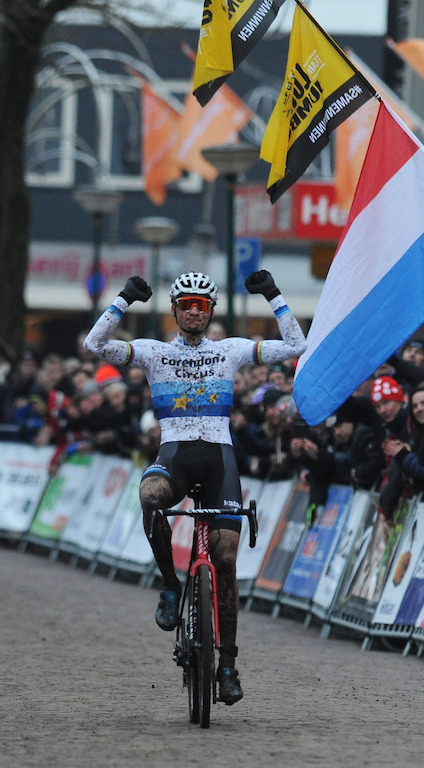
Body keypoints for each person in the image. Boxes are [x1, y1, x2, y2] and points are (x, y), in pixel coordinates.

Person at [84, 270, 305, 705]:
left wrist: (275, 296)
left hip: (220, 459)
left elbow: (296, 346)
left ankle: (227, 666)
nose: (192, 310)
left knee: (224, 560)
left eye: (200, 305)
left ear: (211, 311)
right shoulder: (152, 353)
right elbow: (94, 345)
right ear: (173, 309)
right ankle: (170, 584)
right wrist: (123, 301)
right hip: (175, 457)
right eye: (184, 303)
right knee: (150, 500)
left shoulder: (230, 350)